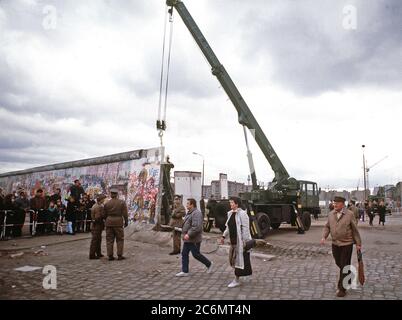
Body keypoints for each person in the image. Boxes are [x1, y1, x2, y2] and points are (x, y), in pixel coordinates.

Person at [320, 196, 361, 298]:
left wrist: (358, 244)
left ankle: (342, 288)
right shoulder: (331, 214)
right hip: (335, 244)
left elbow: (355, 230)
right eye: (334, 203)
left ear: (342, 204)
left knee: (343, 265)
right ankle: (349, 274)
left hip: (347, 243)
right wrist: (324, 236)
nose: (334, 205)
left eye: (337, 203)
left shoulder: (349, 214)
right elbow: (327, 226)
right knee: (339, 263)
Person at [220, 196, 253, 288]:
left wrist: (244, 242)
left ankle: (236, 280)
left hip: (240, 242)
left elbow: (246, 229)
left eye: (232, 202)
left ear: (237, 204)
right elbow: (228, 227)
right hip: (233, 241)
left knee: (238, 260)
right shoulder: (230, 213)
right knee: (235, 260)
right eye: (230, 202)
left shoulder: (242, 214)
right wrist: (223, 236)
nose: (230, 204)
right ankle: (246, 274)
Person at [175, 198, 213, 277]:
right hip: (188, 239)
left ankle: (209, 264)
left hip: (194, 239)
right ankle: (185, 271)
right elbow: (188, 224)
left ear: (192, 205)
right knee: (184, 253)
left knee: (196, 254)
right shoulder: (190, 213)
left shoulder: (196, 213)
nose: (186, 205)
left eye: (188, 204)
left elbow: (196, 227)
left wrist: (188, 234)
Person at [104, 188, 128, 261]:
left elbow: (104, 214)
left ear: (111, 194)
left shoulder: (107, 203)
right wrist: (126, 221)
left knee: (109, 240)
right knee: (120, 239)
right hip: (118, 222)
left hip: (109, 222)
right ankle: (120, 255)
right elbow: (125, 214)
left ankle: (110, 255)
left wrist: (107, 220)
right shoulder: (122, 202)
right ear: (117, 194)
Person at [89, 194, 107, 259]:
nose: (104, 200)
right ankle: (92, 254)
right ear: (101, 199)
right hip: (97, 225)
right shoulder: (99, 207)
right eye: (103, 199)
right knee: (95, 240)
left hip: (95, 225)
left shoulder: (96, 205)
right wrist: (104, 216)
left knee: (98, 239)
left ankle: (98, 253)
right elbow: (98, 217)